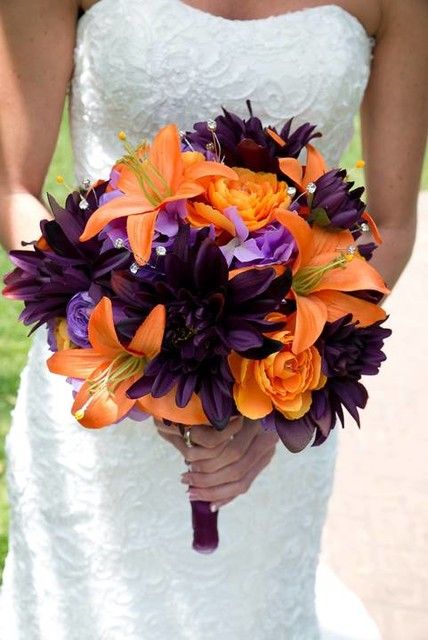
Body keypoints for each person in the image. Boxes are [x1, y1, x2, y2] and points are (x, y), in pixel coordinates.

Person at [0, 1, 426, 638]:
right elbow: (11, 186)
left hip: (276, 402)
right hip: (99, 386)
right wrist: (139, 365)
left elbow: (389, 222)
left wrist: (279, 398)